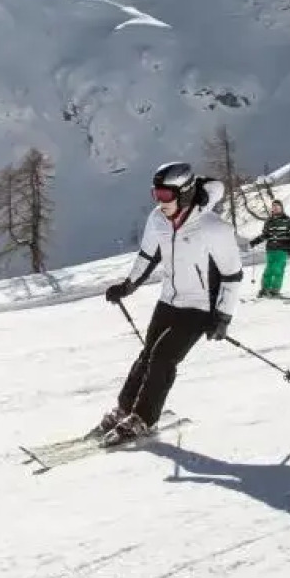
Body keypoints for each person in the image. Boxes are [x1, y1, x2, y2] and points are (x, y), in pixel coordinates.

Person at [91, 162, 244, 447]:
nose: (159, 202)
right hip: (168, 301)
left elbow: (232, 275)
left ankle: (144, 418)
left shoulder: (214, 229)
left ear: (185, 193)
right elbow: (148, 256)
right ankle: (125, 409)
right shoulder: (158, 219)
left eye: (165, 196)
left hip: (200, 307)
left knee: (163, 359)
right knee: (147, 354)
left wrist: (223, 316)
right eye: (155, 195)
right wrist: (128, 286)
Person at [248, 199, 290, 298]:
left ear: (281, 208)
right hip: (270, 249)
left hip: (282, 249)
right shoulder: (269, 221)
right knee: (268, 269)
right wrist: (255, 241)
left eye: (277, 206)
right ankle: (265, 289)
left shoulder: (289, 221)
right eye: (273, 206)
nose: (275, 208)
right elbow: (265, 235)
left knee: (277, 269)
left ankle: (274, 290)